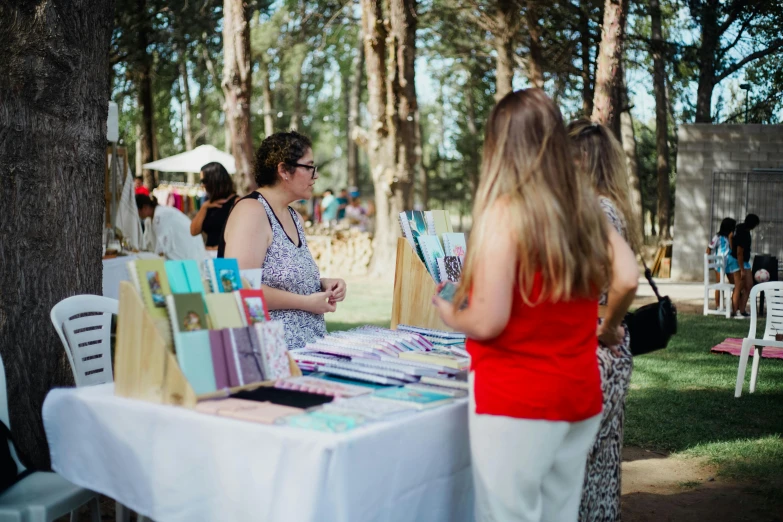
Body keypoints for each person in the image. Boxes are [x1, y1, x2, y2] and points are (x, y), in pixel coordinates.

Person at [432, 89, 638, 522]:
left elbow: (488, 320)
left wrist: (450, 310)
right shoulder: (585, 208)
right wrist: (607, 328)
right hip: (577, 395)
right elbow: (628, 277)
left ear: (500, 143)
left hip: (517, 400)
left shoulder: (505, 212)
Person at [568, 118, 637, 522]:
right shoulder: (608, 207)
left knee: (583, 465)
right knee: (600, 463)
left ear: (582, 161)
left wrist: (608, 325)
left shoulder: (597, 210)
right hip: (603, 348)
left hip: (595, 346)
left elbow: (623, 279)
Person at [220, 131, 346, 350]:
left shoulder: (294, 217)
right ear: (284, 170)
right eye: (309, 167)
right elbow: (239, 287)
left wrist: (322, 284)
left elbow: (283, 278)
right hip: (268, 353)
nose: (315, 176)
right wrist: (306, 302)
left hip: (306, 352)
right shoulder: (252, 212)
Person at [136, 194, 207, 261]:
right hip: (182, 252)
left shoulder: (161, 215)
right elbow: (147, 243)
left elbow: (162, 246)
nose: (138, 215)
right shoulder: (149, 220)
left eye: (138, 211)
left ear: (145, 207)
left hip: (189, 251)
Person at [189, 162, 238, 252]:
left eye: (204, 181)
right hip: (208, 255)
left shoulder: (236, 202)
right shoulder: (208, 204)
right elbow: (193, 231)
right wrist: (204, 207)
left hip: (226, 256)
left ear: (214, 180)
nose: (202, 185)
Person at [728, 213, 760, 317]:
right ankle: (734, 312)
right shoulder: (744, 235)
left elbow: (730, 236)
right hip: (737, 261)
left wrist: (731, 246)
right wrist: (741, 269)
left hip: (744, 261)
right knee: (739, 286)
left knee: (749, 285)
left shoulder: (740, 227)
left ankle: (742, 310)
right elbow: (739, 253)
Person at [707, 217, 737, 306]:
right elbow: (709, 249)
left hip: (730, 264)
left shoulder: (732, 237)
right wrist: (709, 262)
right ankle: (718, 305)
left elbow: (733, 250)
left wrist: (731, 239)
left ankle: (735, 305)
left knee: (735, 284)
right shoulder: (717, 237)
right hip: (719, 264)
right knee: (720, 284)